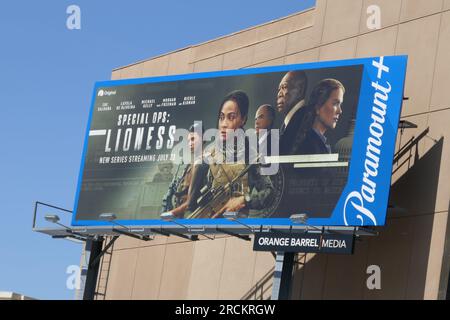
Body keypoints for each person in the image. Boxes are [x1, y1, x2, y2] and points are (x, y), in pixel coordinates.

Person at [188, 90, 274, 218]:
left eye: (231, 117)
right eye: (221, 117)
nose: (223, 124)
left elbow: (269, 193)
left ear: (243, 119)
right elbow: (191, 205)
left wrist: (244, 200)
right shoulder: (206, 157)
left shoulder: (250, 156)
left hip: (239, 228)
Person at [163, 123, 203, 218]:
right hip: (180, 213)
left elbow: (191, 200)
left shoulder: (201, 162)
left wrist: (172, 213)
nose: (190, 143)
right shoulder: (190, 163)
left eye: (193, 139)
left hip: (190, 215)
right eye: (188, 140)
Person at [296, 78, 345, 155]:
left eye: (340, 105)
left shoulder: (317, 143)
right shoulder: (309, 145)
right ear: (318, 106)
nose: (340, 111)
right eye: (335, 103)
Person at [276, 70, 308, 155]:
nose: (279, 94)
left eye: (284, 87)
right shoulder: (287, 123)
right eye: (279, 89)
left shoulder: (306, 120)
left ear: (300, 90)